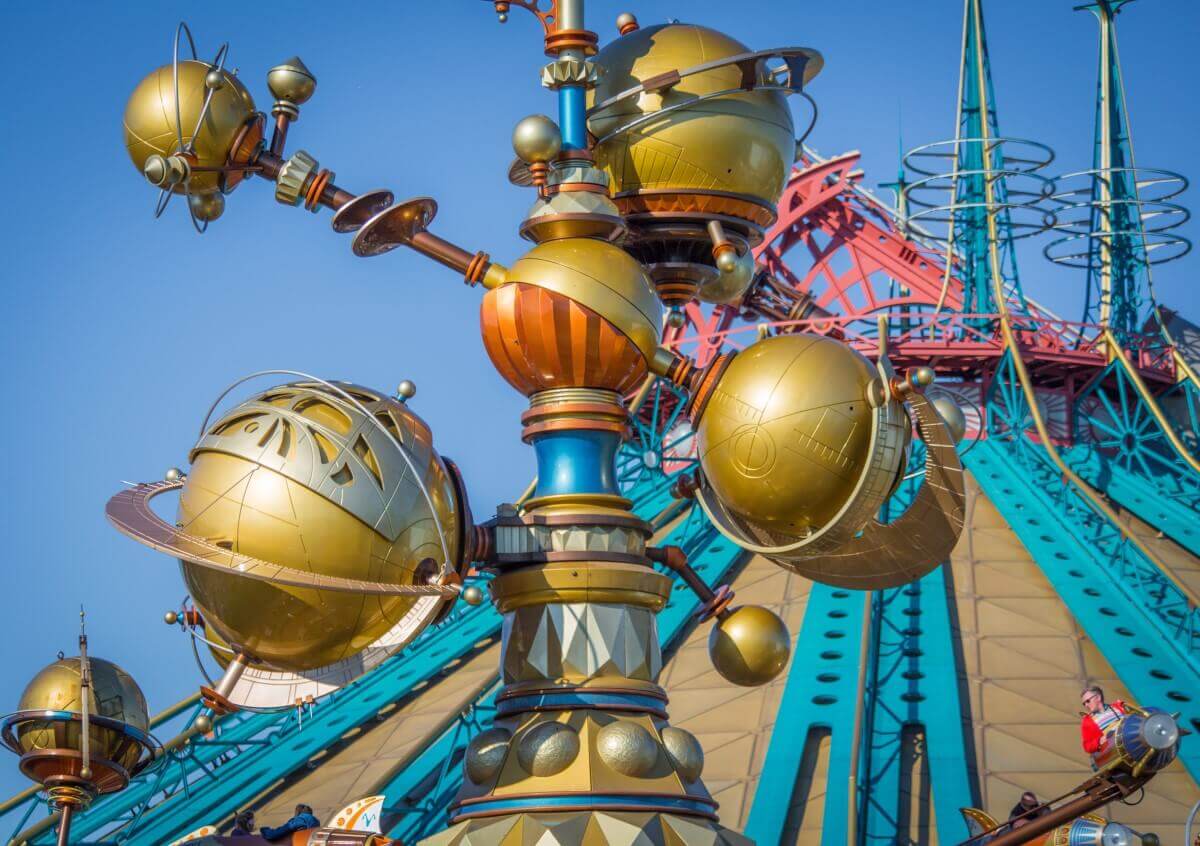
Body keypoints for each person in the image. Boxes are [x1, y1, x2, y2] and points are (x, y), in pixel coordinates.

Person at [1080, 685, 1127, 754]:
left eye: (1088, 701)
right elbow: (1087, 746)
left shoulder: (1118, 706)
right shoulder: (1087, 721)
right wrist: (1099, 741)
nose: (1086, 705)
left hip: (1132, 744)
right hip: (1116, 753)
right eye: (1084, 704)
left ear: (1098, 697)